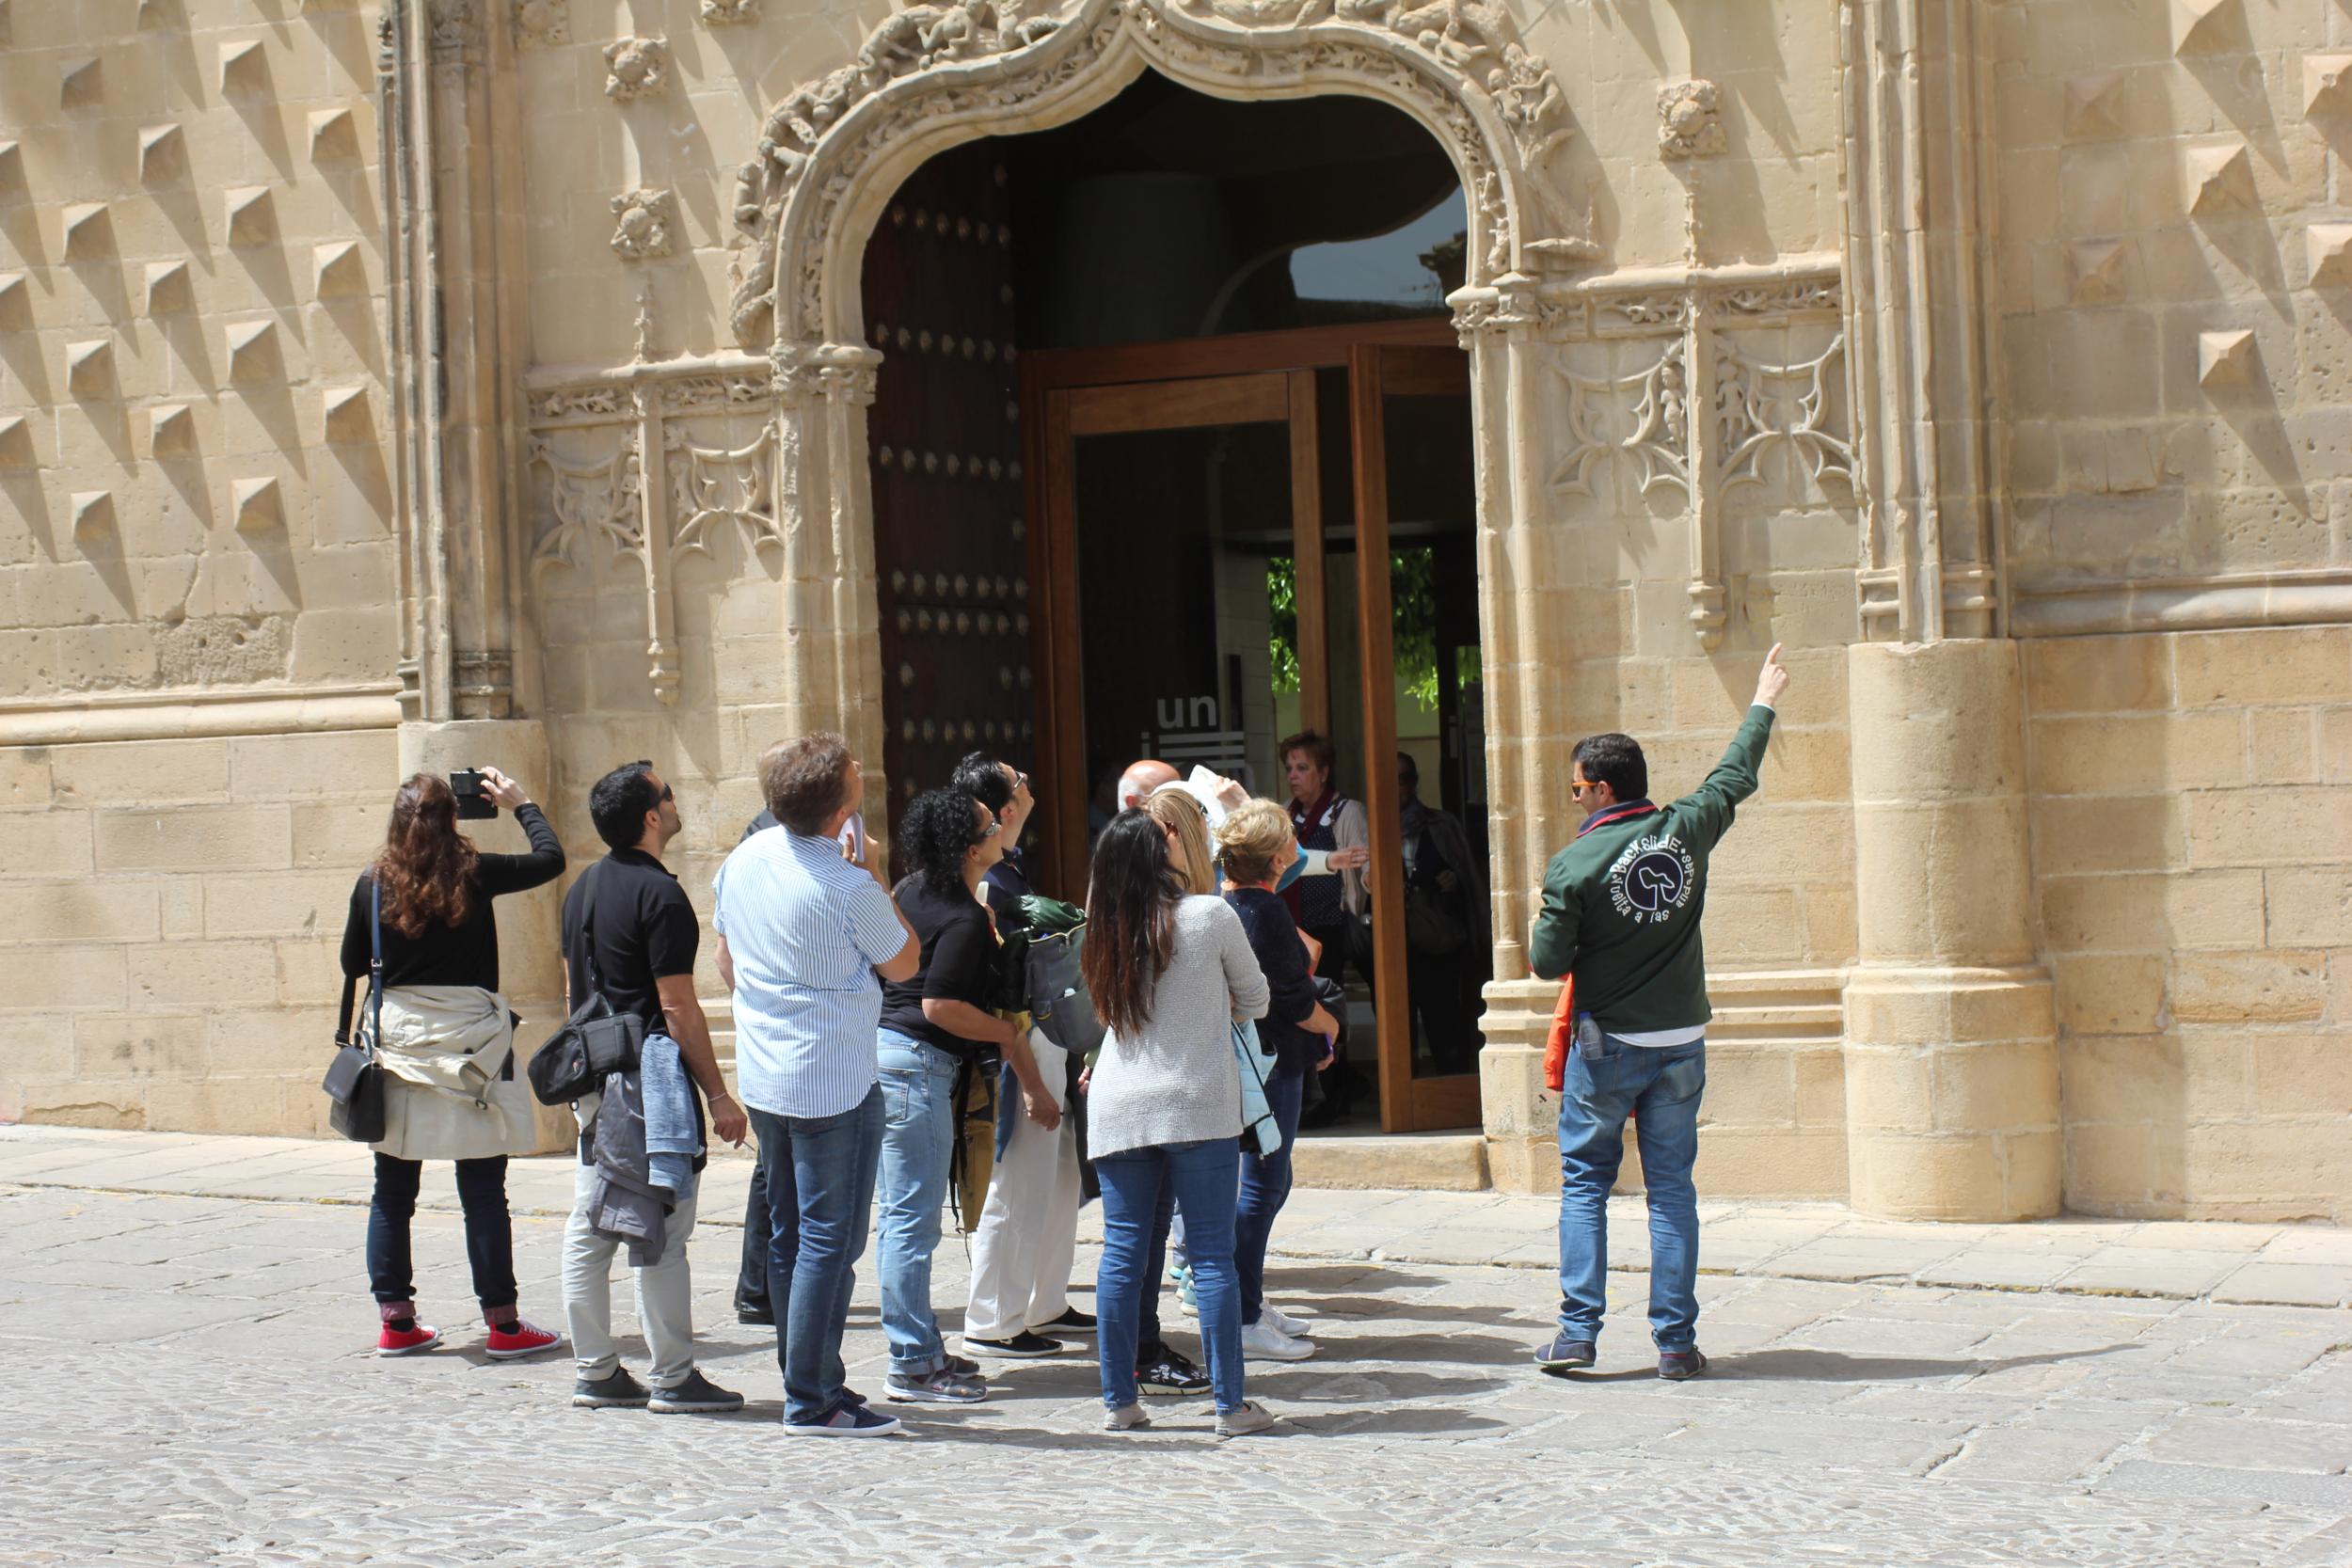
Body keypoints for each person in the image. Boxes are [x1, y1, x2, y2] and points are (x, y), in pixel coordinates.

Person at [1529, 644, 1790, 1383]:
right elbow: (1734, 774)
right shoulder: (1684, 829)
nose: (1573, 797)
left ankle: (1577, 1334)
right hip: (1681, 1041)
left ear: (1604, 789)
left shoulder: (1574, 865)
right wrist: (1763, 699)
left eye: (1577, 788)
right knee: (1672, 1187)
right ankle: (1676, 1342)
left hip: (1608, 1042)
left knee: (1586, 1181)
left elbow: (1548, 962)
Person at [713, 733, 920, 1436]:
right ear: (841, 809)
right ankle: (813, 1393)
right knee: (829, 1239)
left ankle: (809, 1377)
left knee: (789, 1231)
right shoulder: (846, 884)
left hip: (768, 1071)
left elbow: (726, 960)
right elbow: (904, 962)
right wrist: (876, 882)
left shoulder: (744, 860)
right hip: (833, 1075)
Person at [340, 767, 564, 1360]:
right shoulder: (477, 872)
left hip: (401, 1048)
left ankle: (397, 1321)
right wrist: (521, 803)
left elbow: (352, 962)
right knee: (484, 1188)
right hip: (474, 1049)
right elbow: (551, 859)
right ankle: (504, 1325)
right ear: (454, 819)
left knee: (392, 1187)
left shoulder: (372, 882)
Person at [559, 761, 747, 1414]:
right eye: (667, 794)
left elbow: (570, 992)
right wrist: (718, 1094)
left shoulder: (580, 888)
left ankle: (596, 1368)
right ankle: (672, 1375)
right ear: (650, 816)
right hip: (646, 1083)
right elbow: (677, 1007)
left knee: (591, 1222)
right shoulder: (661, 895)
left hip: (595, 1076)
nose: (675, 802)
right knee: (660, 1222)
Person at [1082, 809, 1278, 1438]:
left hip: (1120, 1099)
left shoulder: (1104, 929)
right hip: (1197, 1098)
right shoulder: (1208, 914)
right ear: (1159, 855)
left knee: (1122, 1253)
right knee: (1213, 1256)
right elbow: (1256, 998)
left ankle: (1120, 1400)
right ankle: (1230, 1405)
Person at [870, 786, 1055, 1399]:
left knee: (902, 1219)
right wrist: (1007, 1033)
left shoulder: (909, 891)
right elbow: (939, 1003)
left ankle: (921, 1344)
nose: (1002, 824)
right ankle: (913, 1362)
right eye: (990, 822)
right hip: (916, 1067)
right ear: (973, 846)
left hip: (891, 1060)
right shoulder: (966, 916)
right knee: (909, 1224)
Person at [961, 756, 1096, 1361]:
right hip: (1019, 1039)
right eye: (1021, 779)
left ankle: (1044, 1298)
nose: (1028, 782)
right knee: (1015, 1179)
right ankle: (993, 1316)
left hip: (1044, 1034)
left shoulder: (1009, 866)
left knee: (1057, 1174)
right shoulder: (990, 877)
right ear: (1007, 808)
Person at [1216, 800, 1340, 1363]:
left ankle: (1249, 1302)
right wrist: (1331, 1024)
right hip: (1271, 1063)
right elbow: (1290, 998)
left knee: (1269, 1183)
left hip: (1257, 1059)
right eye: (1289, 838)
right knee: (1264, 1186)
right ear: (1276, 856)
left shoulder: (1233, 903)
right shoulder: (1262, 911)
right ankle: (1241, 1315)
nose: (1297, 845)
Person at [1395, 750, 1487, 1074]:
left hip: (1437, 937)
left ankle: (1449, 1080)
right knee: (1396, 1020)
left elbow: (1469, 876)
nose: (1396, 787)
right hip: (1391, 939)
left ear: (1414, 783)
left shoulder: (1440, 824)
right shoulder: (1370, 826)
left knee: (1443, 1017)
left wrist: (1454, 880)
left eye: (1402, 779)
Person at [1278, 731, 1373, 995]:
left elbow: (1364, 861)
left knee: (1328, 993)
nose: (1292, 776)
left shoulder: (1347, 810)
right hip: (1292, 923)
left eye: (1302, 768)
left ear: (1323, 773)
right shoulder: (1284, 813)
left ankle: (1335, 1038)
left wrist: (1370, 879)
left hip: (1332, 924)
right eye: (1289, 769)